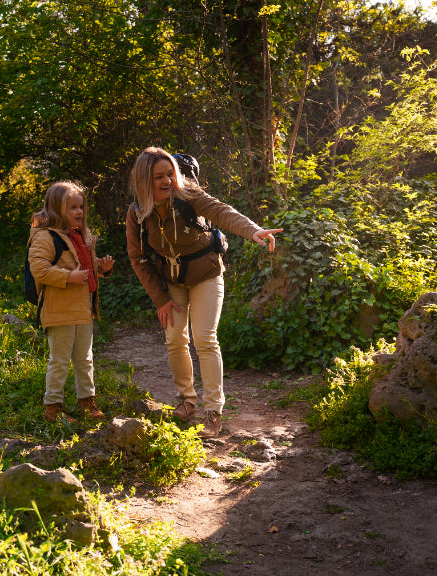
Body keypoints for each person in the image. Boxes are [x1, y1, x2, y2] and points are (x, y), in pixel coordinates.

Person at [126, 147, 282, 437]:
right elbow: (138, 259)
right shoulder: (137, 213)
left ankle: (213, 412)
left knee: (205, 339)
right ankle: (187, 401)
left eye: (170, 173)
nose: (167, 181)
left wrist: (253, 231)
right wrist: (160, 299)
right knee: (175, 339)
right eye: (158, 176)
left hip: (206, 274)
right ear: (144, 181)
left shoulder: (189, 195)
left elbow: (222, 212)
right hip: (171, 281)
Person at [29, 181, 114, 422]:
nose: (79, 212)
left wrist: (102, 268)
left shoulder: (79, 236)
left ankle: (87, 402)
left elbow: (85, 268)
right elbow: (39, 269)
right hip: (58, 311)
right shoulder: (45, 237)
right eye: (72, 208)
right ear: (56, 210)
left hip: (82, 309)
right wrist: (68, 277)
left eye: (80, 207)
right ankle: (52, 408)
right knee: (59, 361)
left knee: (85, 359)